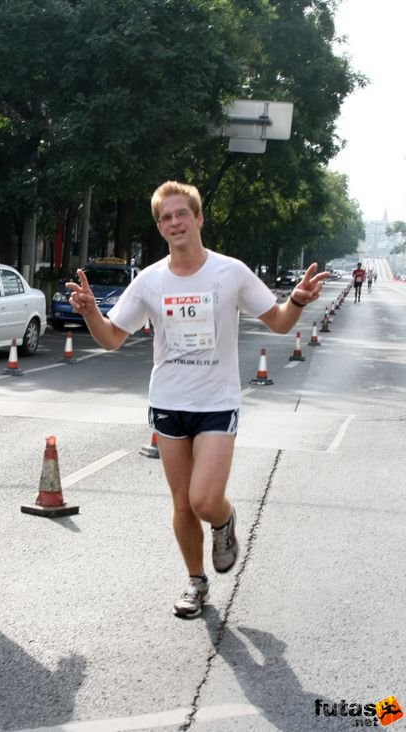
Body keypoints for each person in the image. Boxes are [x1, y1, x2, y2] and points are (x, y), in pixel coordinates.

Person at [67, 181, 328, 619]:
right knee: (182, 503)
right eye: (165, 218)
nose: (174, 223)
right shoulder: (149, 280)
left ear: (199, 218)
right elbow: (112, 339)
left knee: (206, 500)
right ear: (160, 227)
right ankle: (195, 582)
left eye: (181, 214)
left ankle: (224, 523)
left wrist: (298, 300)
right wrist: (92, 312)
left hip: (217, 403)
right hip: (169, 402)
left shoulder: (231, 272)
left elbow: (280, 323)